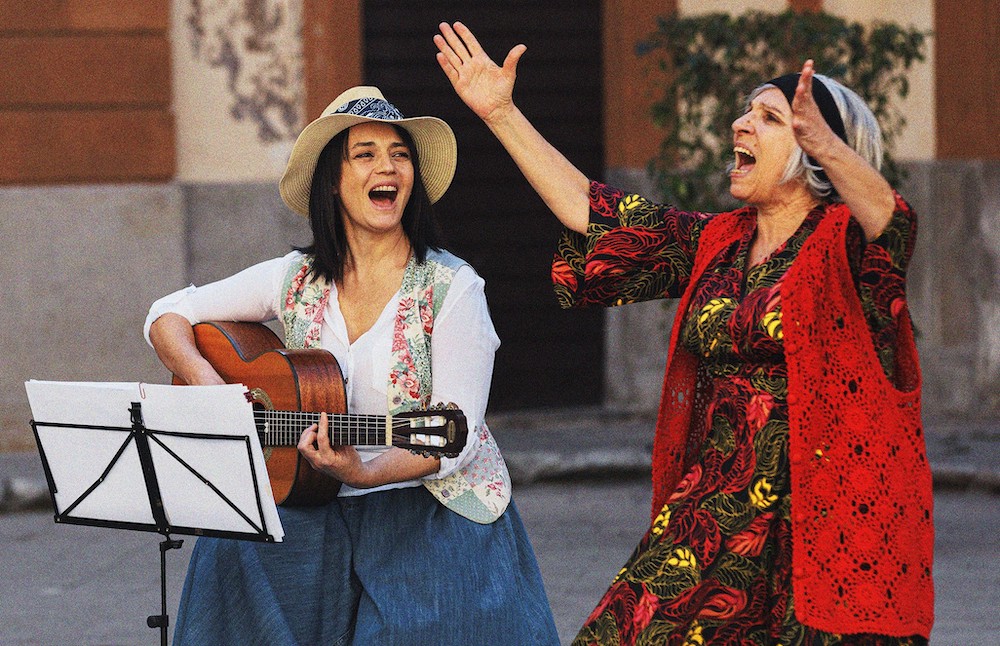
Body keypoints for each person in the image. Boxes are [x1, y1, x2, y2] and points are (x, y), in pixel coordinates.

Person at [435, 21, 934, 645]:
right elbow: (598, 214)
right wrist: (502, 113)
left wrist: (830, 145)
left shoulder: (851, 248)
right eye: (745, 112)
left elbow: (894, 223)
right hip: (713, 512)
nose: (740, 125)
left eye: (770, 118)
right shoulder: (719, 241)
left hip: (823, 522)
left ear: (815, 150)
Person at [144, 86, 560, 645]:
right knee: (232, 561)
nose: (386, 166)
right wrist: (208, 383)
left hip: (427, 507)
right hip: (307, 498)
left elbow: (452, 439)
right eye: (364, 153)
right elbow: (168, 313)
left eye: (400, 154)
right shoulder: (293, 277)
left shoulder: (453, 288)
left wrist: (363, 471)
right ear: (332, 180)